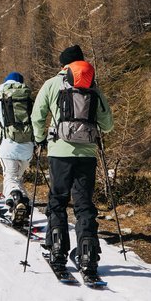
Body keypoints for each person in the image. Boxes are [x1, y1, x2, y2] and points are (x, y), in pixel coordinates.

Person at [31, 45, 114, 277]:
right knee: (84, 205)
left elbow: (37, 115)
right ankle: (87, 255)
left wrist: (40, 140)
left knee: (57, 201)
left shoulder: (51, 84)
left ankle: (57, 249)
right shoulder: (93, 87)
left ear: (63, 65)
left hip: (59, 152)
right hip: (86, 155)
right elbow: (108, 125)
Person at [0, 71, 34, 226]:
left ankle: (16, 198)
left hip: (8, 146)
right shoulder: (29, 101)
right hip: (27, 148)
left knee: (10, 178)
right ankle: (20, 204)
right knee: (17, 177)